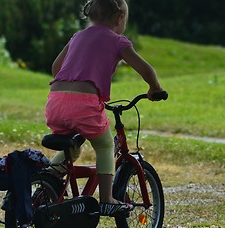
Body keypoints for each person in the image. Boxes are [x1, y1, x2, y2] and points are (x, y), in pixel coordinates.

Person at [44, 0, 166, 216]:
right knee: (105, 146)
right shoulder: (117, 41)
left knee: (71, 148)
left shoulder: (77, 36)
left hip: (56, 101)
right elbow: (145, 69)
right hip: (84, 103)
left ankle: (47, 182)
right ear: (120, 18)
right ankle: (108, 199)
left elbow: (55, 68)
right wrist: (154, 88)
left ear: (90, 15)